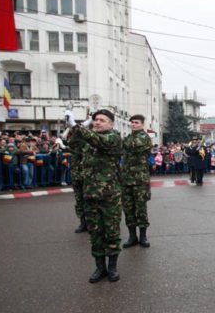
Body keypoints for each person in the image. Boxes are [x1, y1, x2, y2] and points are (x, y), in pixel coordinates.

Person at [65, 108, 123, 283]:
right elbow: (73, 144)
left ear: (111, 124)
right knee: (95, 233)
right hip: (90, 194)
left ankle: (112, 268)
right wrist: (75, 127)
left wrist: (77, 126)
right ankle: (100, 267)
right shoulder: (89, 139)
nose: (97, 122)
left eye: (102, 120)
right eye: (96, 120)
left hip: (109, 196)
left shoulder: (114, 137)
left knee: (111, 232)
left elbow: (98, 141)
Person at [121, 114, 153, 249]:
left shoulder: (144, 137)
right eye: (132, 122)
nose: (133, 124)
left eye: (136, 122)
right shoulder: (129, 137)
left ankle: (143, 236)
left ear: (142, 124)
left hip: (140, 179)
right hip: (126, 179)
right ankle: (132, 236)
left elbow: (132, 146)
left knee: (141, 209)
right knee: (128, 209)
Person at [67, 127, 89, 233]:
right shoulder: (74, 144)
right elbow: (71, 143)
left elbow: (81, 151)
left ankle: (91, 223)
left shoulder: (85, 144)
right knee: (79, 201)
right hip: (76, 176)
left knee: (88, 201)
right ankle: (82, 223)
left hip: (85, 176)